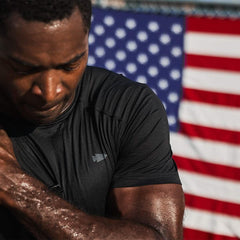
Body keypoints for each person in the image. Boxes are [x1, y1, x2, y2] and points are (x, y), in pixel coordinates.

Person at [0, 0, 185, 239]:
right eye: (24, 70)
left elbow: (161, 237)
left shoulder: (127, 108)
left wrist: (15, 187)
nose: (49, 91)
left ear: (86, 39)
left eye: (69, 65)